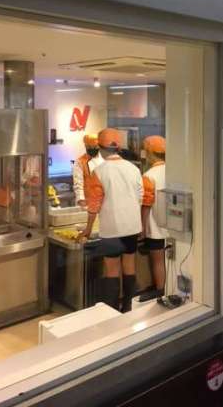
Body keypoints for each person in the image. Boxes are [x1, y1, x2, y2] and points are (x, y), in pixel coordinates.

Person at [82, 128, 143, 313]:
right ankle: (129, 307)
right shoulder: (134, 168)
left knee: (112, 269)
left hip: (112, 228)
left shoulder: (99, 172)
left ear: (100, 148)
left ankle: (113, 310)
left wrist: (87, 229)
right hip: (132, 226)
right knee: (129, 266)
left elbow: (94, 205)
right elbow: (140, 197)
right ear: (119, 148)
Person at [140, 136, 167, 302]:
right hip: (172, 225)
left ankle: (160, 290)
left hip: (155, 226)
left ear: (149, 153)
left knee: (157, 260)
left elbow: (146, 204)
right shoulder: (175, 170)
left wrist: (142, 227)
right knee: (169, 259)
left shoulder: (149, 175)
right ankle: (168, 287)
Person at [73, 134, 103, 207]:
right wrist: (81, 199)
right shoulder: (80, 162)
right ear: (85, 146)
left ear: (99, 146)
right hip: (88, 201)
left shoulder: (104, 159)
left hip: (104, 200)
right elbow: (78, 182)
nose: (92, 149)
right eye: (89, 147)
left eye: (94, 147)